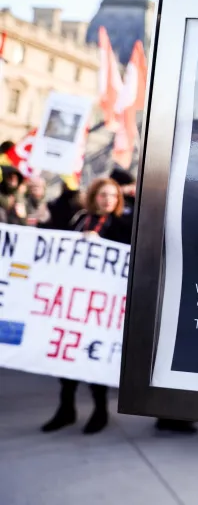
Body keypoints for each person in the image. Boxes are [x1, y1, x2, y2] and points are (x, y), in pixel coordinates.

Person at [41, 177, 132, 435]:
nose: (108, 200)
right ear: (94, 196)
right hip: (75, 303)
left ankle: (100, 410)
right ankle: (66, 409)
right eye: (103, 195)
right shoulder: (80, 219)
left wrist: (99, 242)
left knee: (94, 357)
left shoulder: (122, 224)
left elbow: (126, 253)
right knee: (66, 357)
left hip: (101, 306)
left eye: (113, 196)